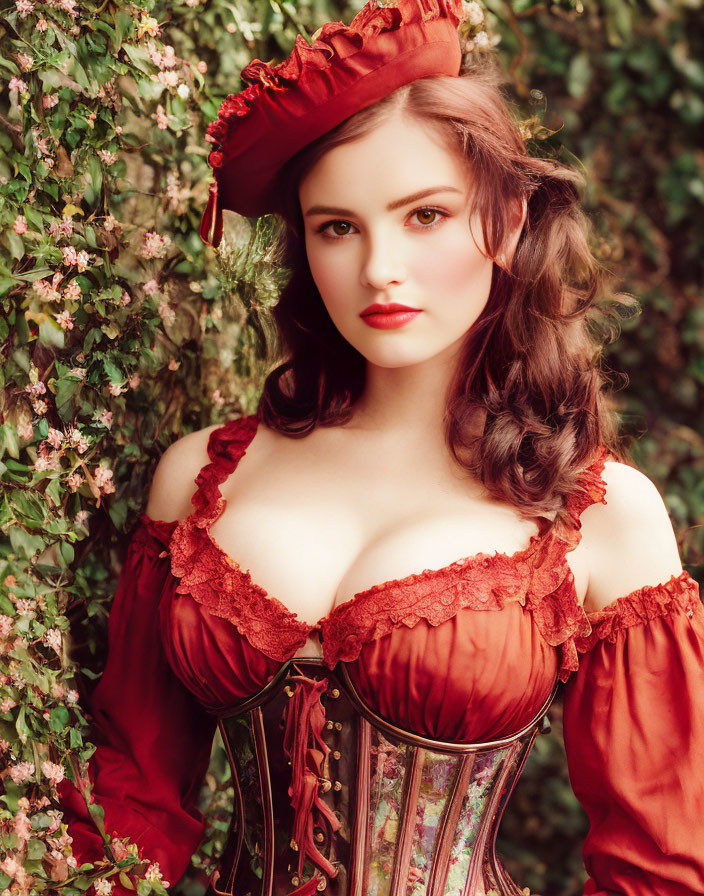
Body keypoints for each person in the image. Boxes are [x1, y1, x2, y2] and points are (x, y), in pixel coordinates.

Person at [57, 0, 704, 894]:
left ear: (508, 221)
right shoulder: (204, 477)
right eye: (337, 227)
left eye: (426, 216)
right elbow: (127, 805)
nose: (378, 269)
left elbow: (661, 866)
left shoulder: (599, 512)